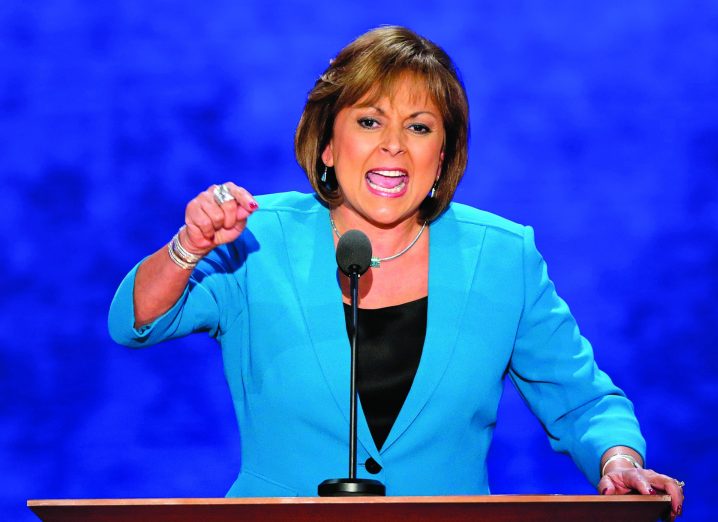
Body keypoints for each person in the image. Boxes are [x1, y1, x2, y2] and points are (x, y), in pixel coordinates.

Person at [109, 25, 684, 518]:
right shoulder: (257, 238)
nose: (393, 147)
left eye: (418, 127)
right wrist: (189, 246)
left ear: (443, 154)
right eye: (368, 122)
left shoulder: (503, 257)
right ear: (328, 144)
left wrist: (619, 462)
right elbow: (137, 321)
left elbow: (581, 400)